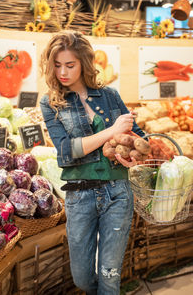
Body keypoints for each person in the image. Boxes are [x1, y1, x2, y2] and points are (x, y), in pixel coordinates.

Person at [40, 30, 146, 295]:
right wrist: (110, 132)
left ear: (84, 64)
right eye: (57, 65)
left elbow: (138, 137)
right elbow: (66, 151)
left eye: (70, 65)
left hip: (117, 192)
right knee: (82, 278)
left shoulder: (109, 95)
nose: (62, 72)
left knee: (110, 275)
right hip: (79, 196)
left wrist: (136, 155)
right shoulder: (51, 103)